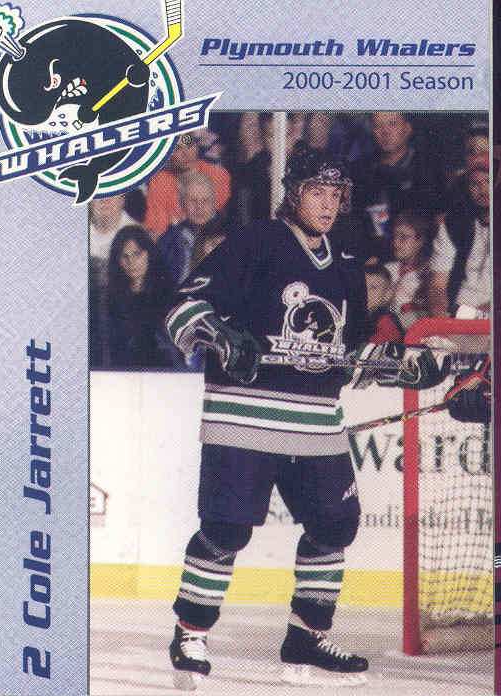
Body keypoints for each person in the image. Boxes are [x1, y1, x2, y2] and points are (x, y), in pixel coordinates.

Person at [163, 143, 446, 689]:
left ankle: (306, 638)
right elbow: (183, 307)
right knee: (225, 529)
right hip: (244, 418)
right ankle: (190, 631)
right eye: (317, 191)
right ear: (293, 193)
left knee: (335, 525)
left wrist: (400, 365)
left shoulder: (345, 263)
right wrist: (221, 336)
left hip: (316, 422)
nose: (328, 203)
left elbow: (347, 352)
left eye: (336, 193)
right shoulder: (255, 242)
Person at [350, 112, 444, 262]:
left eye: (392, 124)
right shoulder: (360, 171)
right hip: (374, 259)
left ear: (407, 129)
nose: (385, 132)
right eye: (378, 126)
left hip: (421, 259)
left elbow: (439, 222)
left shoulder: (428, 168)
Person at [428, 152, 490, 317]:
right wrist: (440, 312)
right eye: (475, 184)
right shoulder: (455, 223)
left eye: (488, 181)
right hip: (459, 313)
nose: (483, 190)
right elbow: (438, 284)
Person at [107, 225, 178, 368]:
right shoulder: (110, 298)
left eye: (137, 254)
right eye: (125, 256)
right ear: (118, 261)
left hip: (163, 371)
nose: (131, 262)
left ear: (148, 253)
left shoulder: (168, 294)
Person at [144, 136, 231, 239]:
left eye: (189, 145)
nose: (186, 154)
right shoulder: (160, 181)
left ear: (196, 146)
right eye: (177, 149)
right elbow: (158, 230)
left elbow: (216, 218)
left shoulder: (217, 174)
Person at [89, 195, 138, 367]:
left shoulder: (137, 236)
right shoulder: (73, 233)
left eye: (112, 194)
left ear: (123, 198)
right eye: (99, 195)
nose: (105, 200)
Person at [158, 171, 228, 288]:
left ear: (214, 203)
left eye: (205, 201)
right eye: (193, 201)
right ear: (182, 204)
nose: (199, 207)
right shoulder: (169, 241)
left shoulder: (230, 233)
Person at [385, 210, 432, 331]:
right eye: (394, 237)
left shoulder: (429, 274)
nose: (396, 243)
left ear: (419, 241)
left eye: (403, 237)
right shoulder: (388, 269)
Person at [364, 264, 403, 343]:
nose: (365, 292)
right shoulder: (352, 315)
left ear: (387, 294)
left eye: (373, 288)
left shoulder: (387, 322)